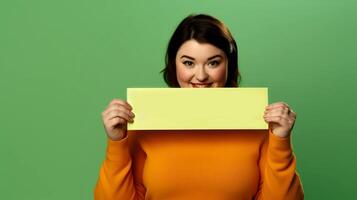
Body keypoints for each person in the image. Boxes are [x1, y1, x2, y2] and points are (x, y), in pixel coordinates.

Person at [94, 14, 304, 200]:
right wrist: (117, 143)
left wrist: (280, 140)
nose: (201, 76)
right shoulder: (144, 122)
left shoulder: (258, 124)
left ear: (228, 64)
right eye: (188, 63)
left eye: (213, 62)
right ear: (173, 64)